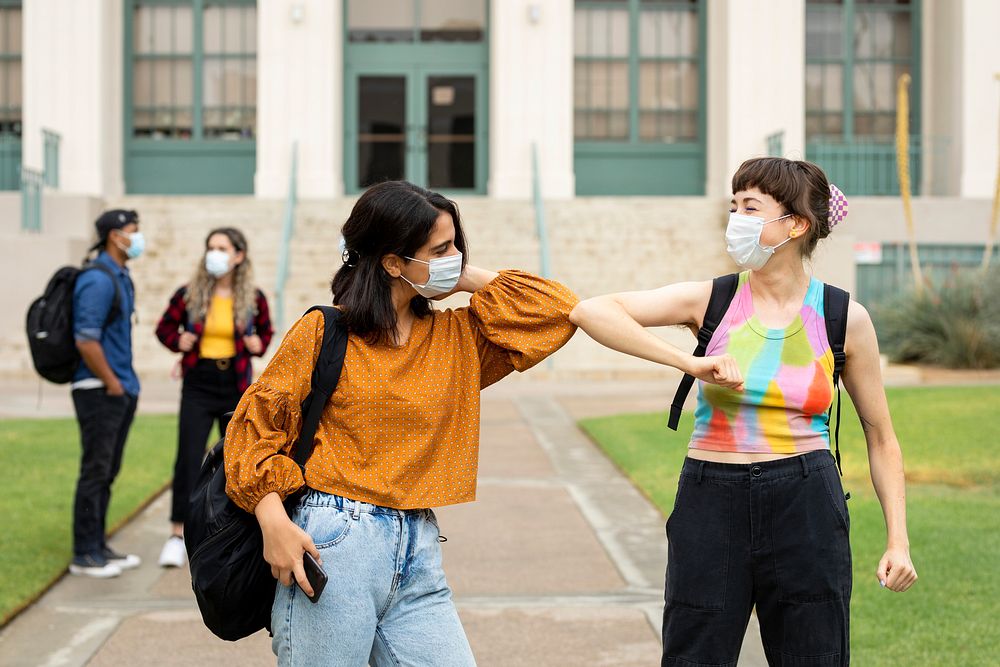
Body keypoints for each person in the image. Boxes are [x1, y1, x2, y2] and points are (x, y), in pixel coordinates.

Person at [569, 157, 917, 666]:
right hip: (711, 501)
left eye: (750, 207)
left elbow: (881, 436)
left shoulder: (843, 317)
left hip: (807, 504)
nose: (735, 218)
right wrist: (689, 361)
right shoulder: (711, 299)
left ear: (795, 224)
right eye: (734, 206)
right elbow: (590, 311)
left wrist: (898, 542)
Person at [224, 180, 577, 665]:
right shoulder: (326, 331)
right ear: (392, 263)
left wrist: (460, 275)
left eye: (456, 244)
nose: (454, 255)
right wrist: (272, 522)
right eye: (441, 249)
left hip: (419, 549)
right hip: (333, 543)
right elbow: (253, 429)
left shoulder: (456, 338)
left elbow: (558, 311)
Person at [155, 227, 273, 568]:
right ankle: (177, 534)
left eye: (222, 248)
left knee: (235, 458)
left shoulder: (253, 298)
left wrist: (258, 346)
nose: (214, 254)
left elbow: (265, 332)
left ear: (238, 255)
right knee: (188, 459)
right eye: (210, 247)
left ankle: (231, 530)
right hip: (198, 382)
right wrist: (179, 342)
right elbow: (164, 327)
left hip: (235, 382)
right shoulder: (190, 294)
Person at [69, 209, 144, 578]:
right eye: (134, 231)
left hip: (117, 387)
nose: (138, 237)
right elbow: (85, 339)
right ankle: (84, 554)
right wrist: (113, 383)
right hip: (100, 390)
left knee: (107, 470)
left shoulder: (120, 275)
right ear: (116, 236)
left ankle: (98, 546)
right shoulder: (97, 280)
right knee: (95, 470)